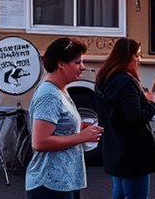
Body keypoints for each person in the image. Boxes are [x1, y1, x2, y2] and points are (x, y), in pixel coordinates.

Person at [26, 37, 103, 199]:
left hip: (64, 181)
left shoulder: (61, 89)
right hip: (50, 184)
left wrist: (77, 128)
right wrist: (80, 137)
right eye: (77, 62)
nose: (83, 67)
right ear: (61, 64)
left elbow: (57, 128)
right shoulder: (49, 94)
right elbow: (39, 142)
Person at [95, 37, 155, 199]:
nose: (139, 59)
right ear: (126, 57)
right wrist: (151, 103)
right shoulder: (126, 83)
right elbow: (135, 118)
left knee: (120, 193)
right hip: (133, 154)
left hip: (115, 148)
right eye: (137, 55)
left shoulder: (104, 79)